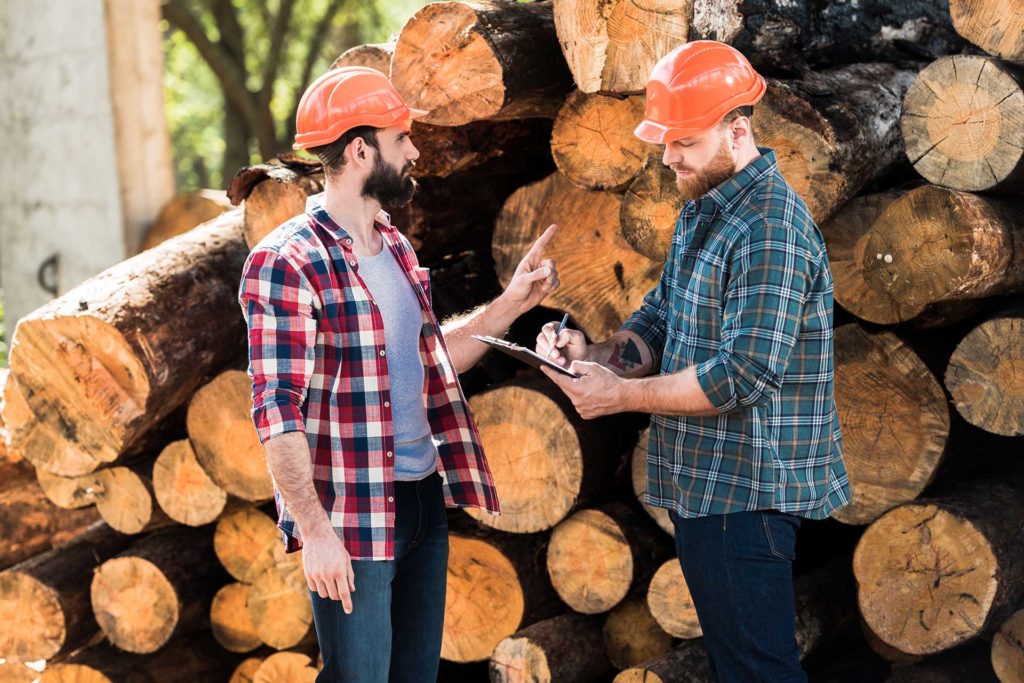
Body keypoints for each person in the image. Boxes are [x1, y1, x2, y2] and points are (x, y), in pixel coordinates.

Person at [536, 41, 850, 682]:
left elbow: (743, 374)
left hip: (747, 495)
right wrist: (595, 355)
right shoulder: (706, 209)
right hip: (707, 490)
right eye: (665, 141)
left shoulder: (771, 229)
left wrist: (620, 397)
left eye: (684, 141)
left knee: (760, 674)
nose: (668, 156)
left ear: (737, 132)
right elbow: (659, 319)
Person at [238, 66, 560, 682]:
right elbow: (275, 408)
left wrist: (512, 302)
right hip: (349, 516)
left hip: (420, 500)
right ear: (360, 150)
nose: (414, 151)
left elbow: (430, 363)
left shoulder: (397, 248)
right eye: (401, 138)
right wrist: (315, 533)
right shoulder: (286, 262)